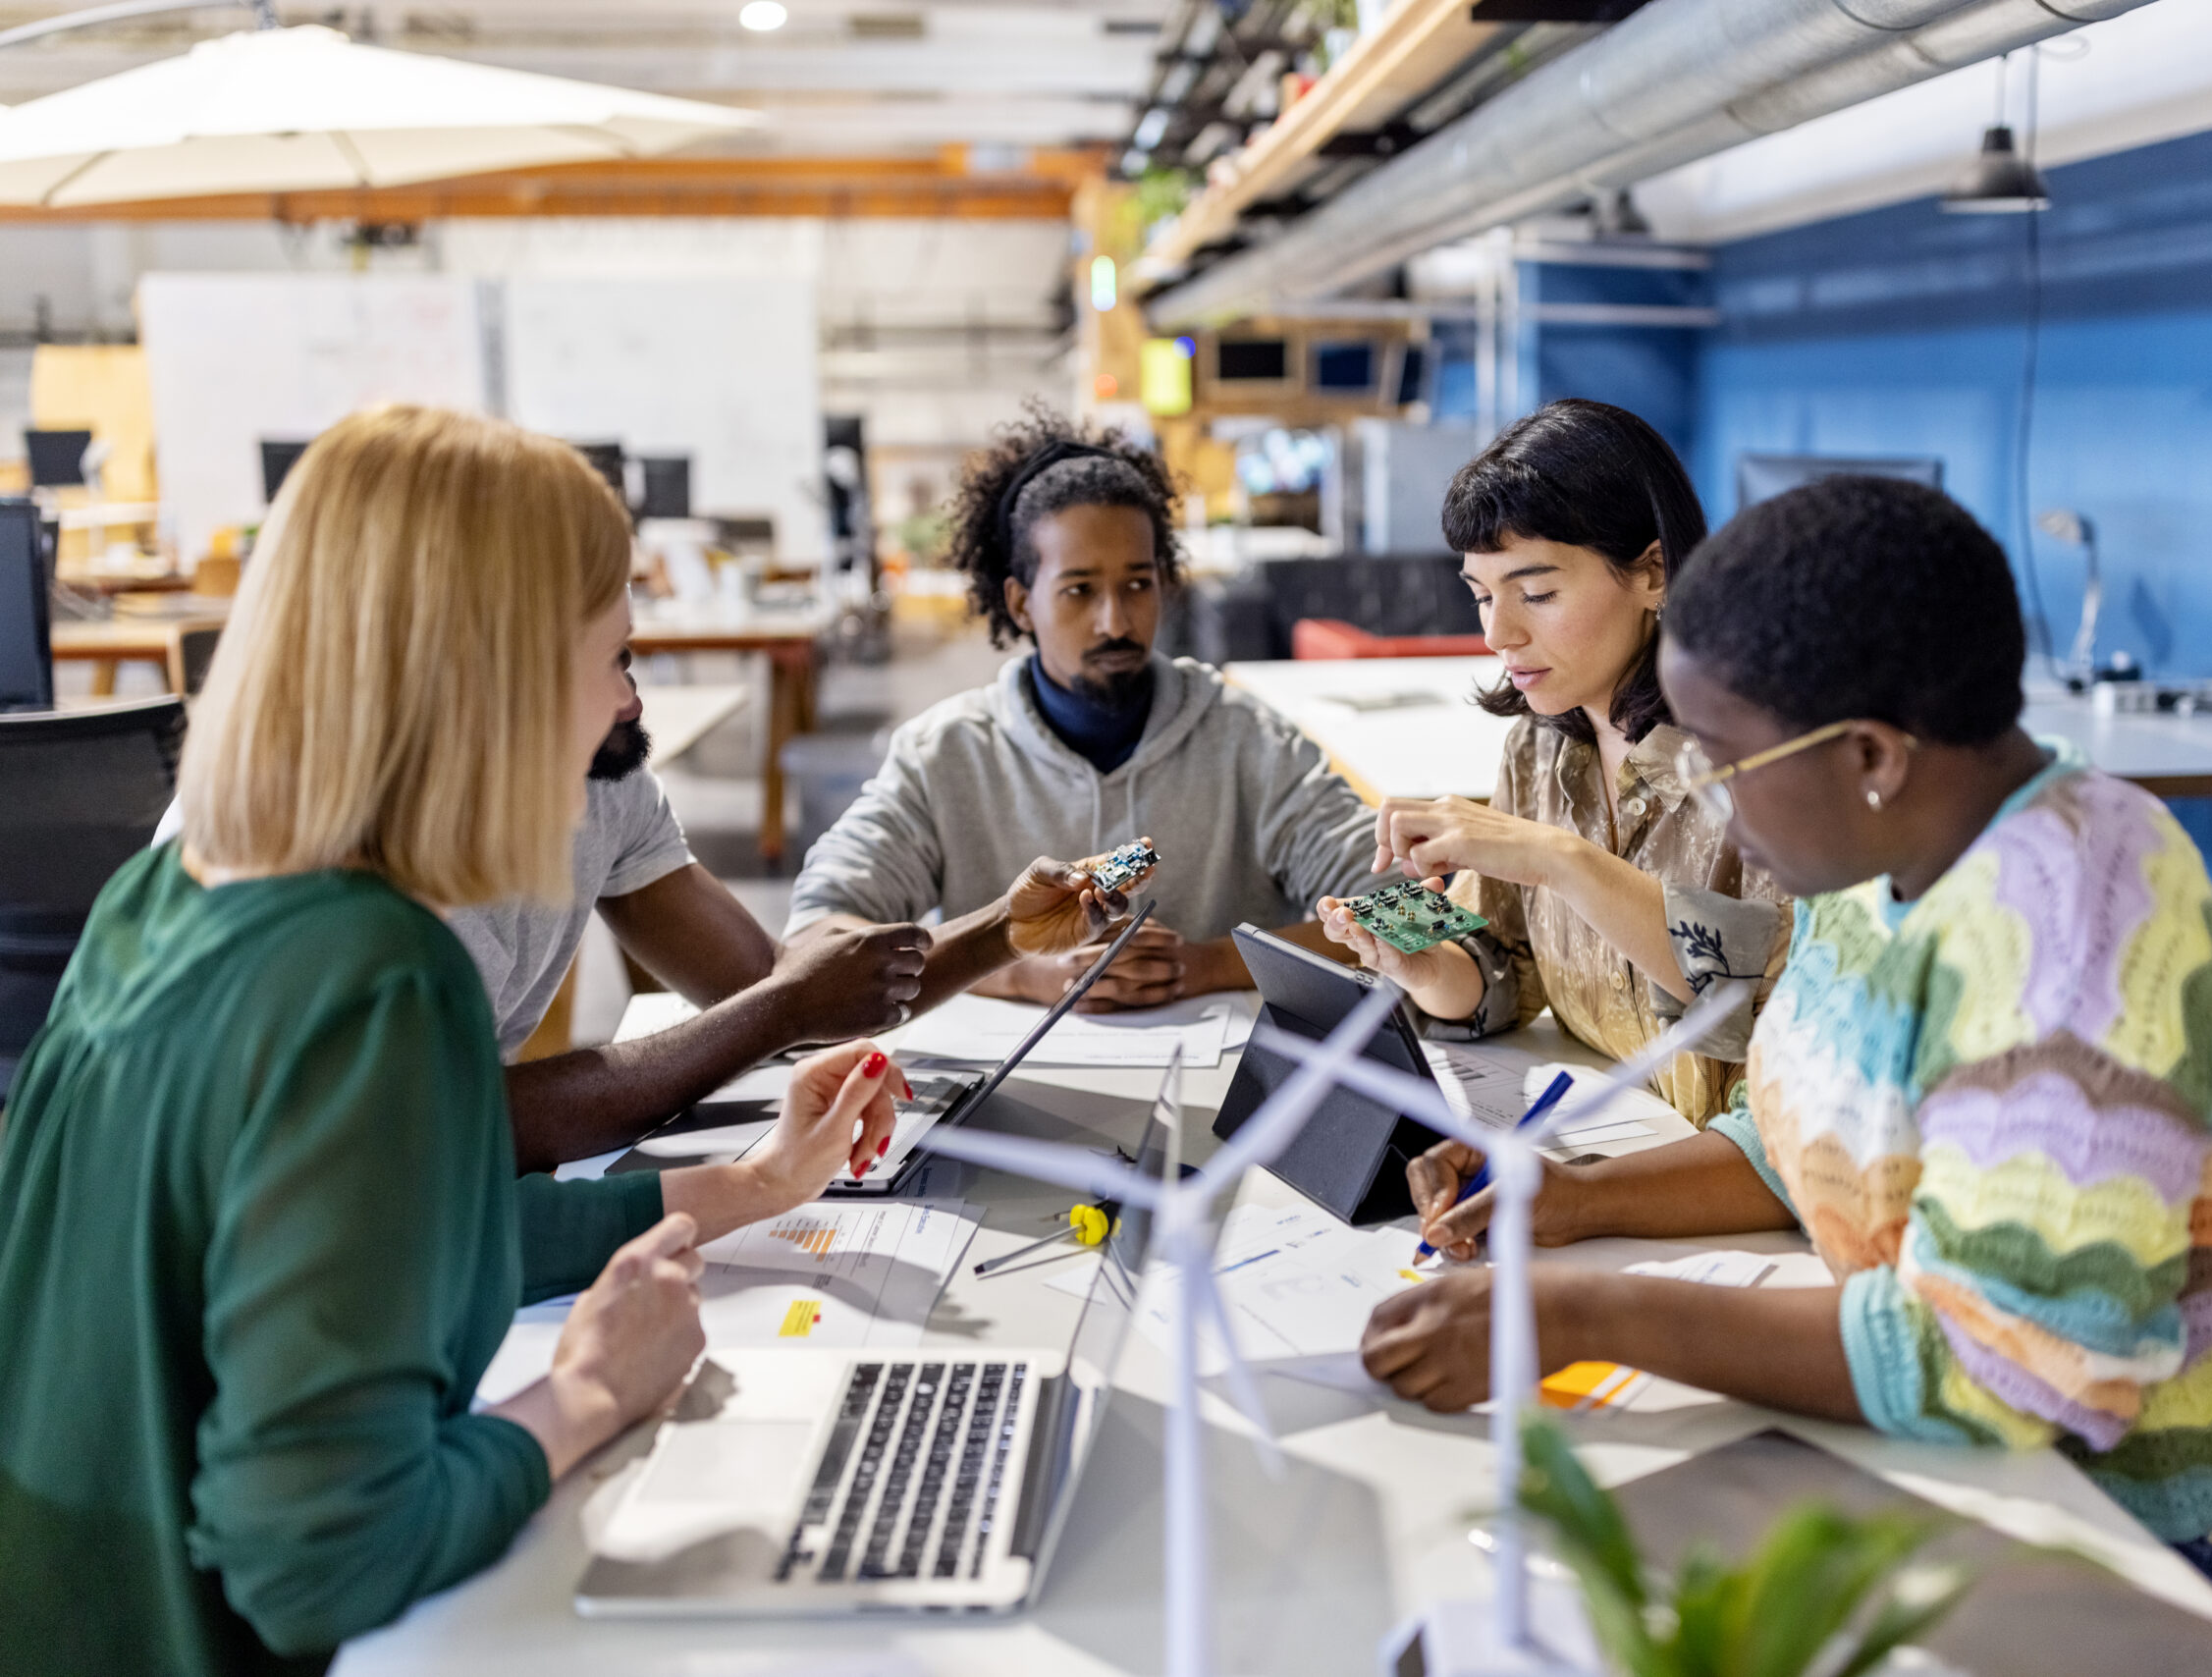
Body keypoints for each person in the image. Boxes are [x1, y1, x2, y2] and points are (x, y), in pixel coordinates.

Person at [0, 407, 1132, 1676]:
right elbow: (320, 1557)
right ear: (498, 678)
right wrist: (593, 1392)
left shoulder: (162, 904)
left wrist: (750, 1189)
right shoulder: (377, 976)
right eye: (615, 655)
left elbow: (391, 1233)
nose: (624, 705)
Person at [1360, 477, 2212, 1677]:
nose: (1720, 818)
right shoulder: (1881, 854)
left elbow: (1996, 1365)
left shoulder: (2074, 933)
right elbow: (1803, 1133)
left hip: (2195, 1524)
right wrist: (1570, 1194)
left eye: (1724, 767)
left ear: (1868, 753)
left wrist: (1580, 1310)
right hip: (2010, 1451)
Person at [154, 662, 933, 1173]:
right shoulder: (326, 862)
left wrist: (1007, 933)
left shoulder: (602, 771)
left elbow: (774, 989)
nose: (634, 697)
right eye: (608, 659)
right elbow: (467, 1134)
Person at [786, 406, 1388, 1010]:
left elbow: (1405, 908)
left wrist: (1209, 964)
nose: (1116, 621)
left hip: (1233, 1093)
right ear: (1021, 604)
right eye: (1079, 590)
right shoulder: (944, 754)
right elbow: (816, 941)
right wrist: (1019, 968)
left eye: (1137, 584)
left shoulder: (1250, 742)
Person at [1317, 400, 1787, 1121]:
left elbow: (1761, 1005)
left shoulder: (1765, 759)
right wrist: (1420, 966)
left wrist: (1562, 861)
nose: (1498, 634)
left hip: (1733, 1179)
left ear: (1654, 573)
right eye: (1481, 597)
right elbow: (1506, 967)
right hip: (1602, 1127)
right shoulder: (1537, 750)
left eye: (1536, 593)